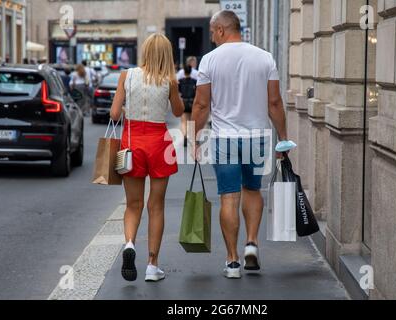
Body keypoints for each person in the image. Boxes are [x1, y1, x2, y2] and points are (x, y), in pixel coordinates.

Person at [191, 10, 288, 279]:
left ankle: (232, 261)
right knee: (253, 190)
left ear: (221, 30)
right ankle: (252, 244)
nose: (211, 37)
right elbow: (274, 103)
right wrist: (283, 137)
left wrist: (194, 136)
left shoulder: (209, 60)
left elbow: (201, 104)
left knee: (229, 197)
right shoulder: (264, 57)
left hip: (225, 139)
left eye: (212, 32)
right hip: (257, 137)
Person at [110, 33, 184, 282]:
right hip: (159, 143)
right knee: (156, 206)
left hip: (132, 142)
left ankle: (130, 244)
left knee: (133, 204)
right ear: (167, 55)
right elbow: (178, 110)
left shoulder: (127, 75)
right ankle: (152, 265)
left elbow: (113, 113)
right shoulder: (169, 80)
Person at [178, 65, 197, 147]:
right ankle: (192, 138)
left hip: (183, 102)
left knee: (183, 121)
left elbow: (178, 93)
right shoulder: (194, 81)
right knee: (191, 121)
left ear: (184, 71)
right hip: (192, 102)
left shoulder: (180, 81)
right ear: (191, 71)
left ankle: (185, 135)